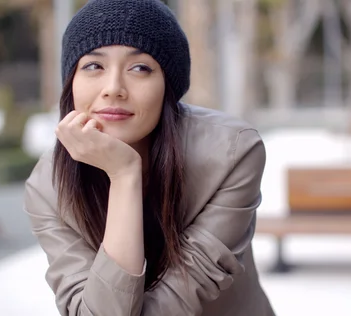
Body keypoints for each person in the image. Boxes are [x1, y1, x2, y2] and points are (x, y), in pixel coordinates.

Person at [23, 0, 275, 315]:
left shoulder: (231, 153)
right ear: (71, 82)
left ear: (167, 86)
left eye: (140, 68)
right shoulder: (48, 187)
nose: (113, 88)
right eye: (94, 66)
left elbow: (177, 301)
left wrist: (124, 172)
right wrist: (124, 176)